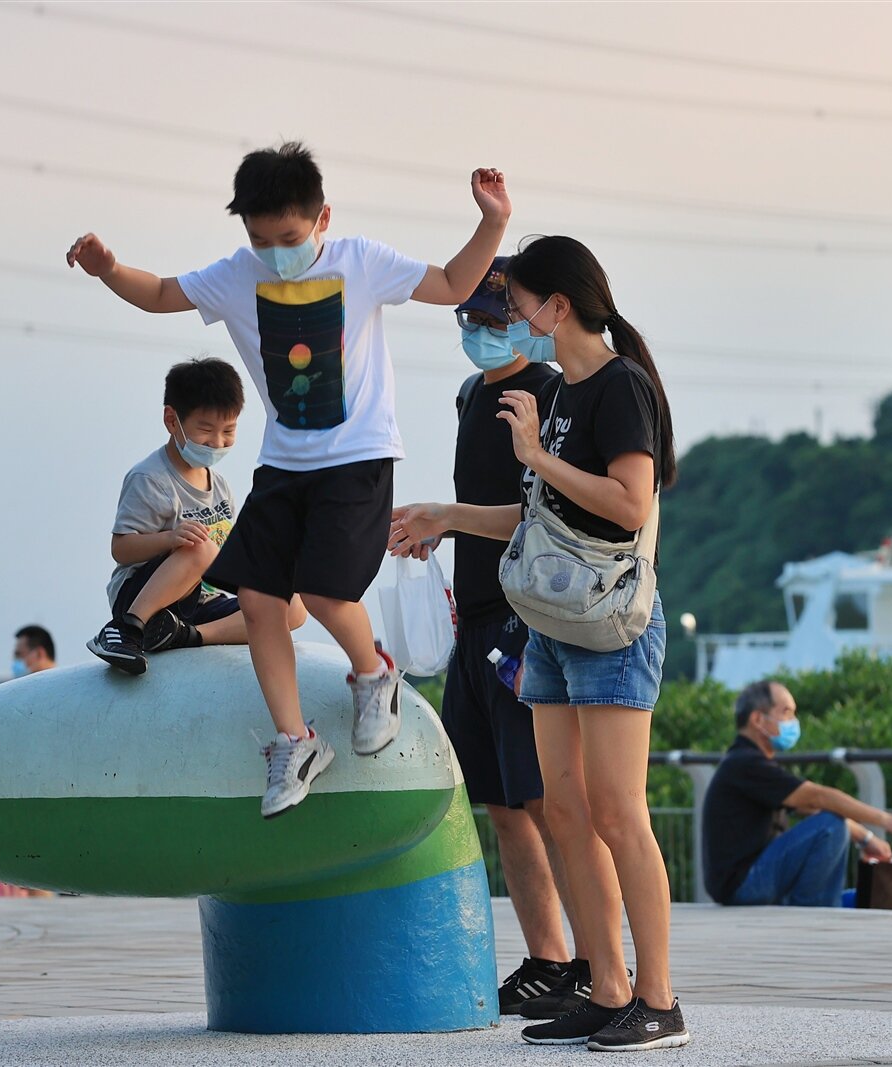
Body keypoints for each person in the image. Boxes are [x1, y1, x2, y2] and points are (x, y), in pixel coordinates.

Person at [67, 142, 510, 818]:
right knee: (258, 597)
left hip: (356, 455)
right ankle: (296, 740)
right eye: (261, 239)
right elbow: (159, 294)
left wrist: (492, 222)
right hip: (283, 462)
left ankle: (375, 674)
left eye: (290, 238)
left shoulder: (361, 261)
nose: (275, 252)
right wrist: (109, 270)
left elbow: (451, 283)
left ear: (322, 218)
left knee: (324, 590)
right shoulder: (236, 275)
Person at [389, 236, 688, 1051]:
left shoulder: (619, 385)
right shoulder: (564, 397)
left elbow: (630, 503)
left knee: (618, 809)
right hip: (552, 627)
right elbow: (538, 516)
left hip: (612, 625)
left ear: (559, 306)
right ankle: (607, 985)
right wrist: (447, 516)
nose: (512, 319)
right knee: (564, 808)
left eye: (519, 305)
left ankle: (659, 998)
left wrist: (532, 456)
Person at [399, 258, 584, 1016]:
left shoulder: (552, 394)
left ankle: (596, 962)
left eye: (493, 317)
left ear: (528, 317)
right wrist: (438, 531)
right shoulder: (470, 394)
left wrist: (447, 516)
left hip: (524, 618)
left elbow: (545, 514)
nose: (478, 330)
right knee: (503, 803)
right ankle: (548, 958)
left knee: (545, 802)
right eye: (467, 317)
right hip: (473, 616)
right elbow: (483, 508)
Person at [88, 358, 304, 674]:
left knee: (292, 605)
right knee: (199, 548)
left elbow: (226, 557)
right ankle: (126, 631)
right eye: (206, 430)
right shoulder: (150, 479)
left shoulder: (220, 486)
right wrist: (170, 539)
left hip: (197, 604)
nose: (217, 442)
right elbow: (121, 548)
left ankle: (186, 636)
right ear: (172, 420)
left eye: (228, 430)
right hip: (143, 598)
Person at [702, 680, 892, 908]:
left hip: (748, 881)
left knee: (858, 897)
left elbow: (812, 807)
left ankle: (826, 905)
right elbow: (818, 797)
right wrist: (887, 820)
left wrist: (866, 839)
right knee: (830, 826)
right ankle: (816, 910)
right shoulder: (745, 763)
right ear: (758, 719)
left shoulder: (745, 762)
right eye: (786, 712)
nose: (793, 722)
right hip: (744, 884)